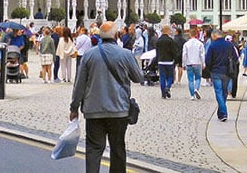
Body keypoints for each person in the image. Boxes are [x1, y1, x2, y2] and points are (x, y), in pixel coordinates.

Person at [69, 20, 144, 173]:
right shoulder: (126, 54)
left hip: (93, 109)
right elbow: (138, 77)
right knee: (117, 148)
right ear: (116, 35)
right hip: (119, 109)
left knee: (94, 149)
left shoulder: (89, 55)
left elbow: (79, 84)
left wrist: (74, 107)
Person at [204, 30, 239, 122]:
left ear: (215, 36)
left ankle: (223, 112)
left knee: (218, 92)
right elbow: (236, 58)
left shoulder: (212, 46)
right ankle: (221, 113)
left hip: (215, 72)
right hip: (227, 72)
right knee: (224, 92)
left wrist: (209, 69)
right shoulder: (229, 45)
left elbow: (208, 60)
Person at [154, 24, 178, 99]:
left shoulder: (158, 40)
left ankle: (163, 93)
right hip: (169, 61)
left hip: (161, 61)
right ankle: (167, 87)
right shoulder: (171, 41)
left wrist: (157, 60)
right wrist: (176, 60)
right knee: (170, 76)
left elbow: (157, 52)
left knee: (162, 77)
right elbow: (174, 51)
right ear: (167, 31)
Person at [181, 28, 205, 100]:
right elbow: (202, 54)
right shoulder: (200, 44)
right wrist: (203, 63)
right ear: (196, 34)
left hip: (189, 63)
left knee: (190, 80)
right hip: (197, 63)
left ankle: (192, 95)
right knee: (198, 78)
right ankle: (196, 89)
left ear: (190, 34)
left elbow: (184, 55)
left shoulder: (186, 44)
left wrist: (183, 64)